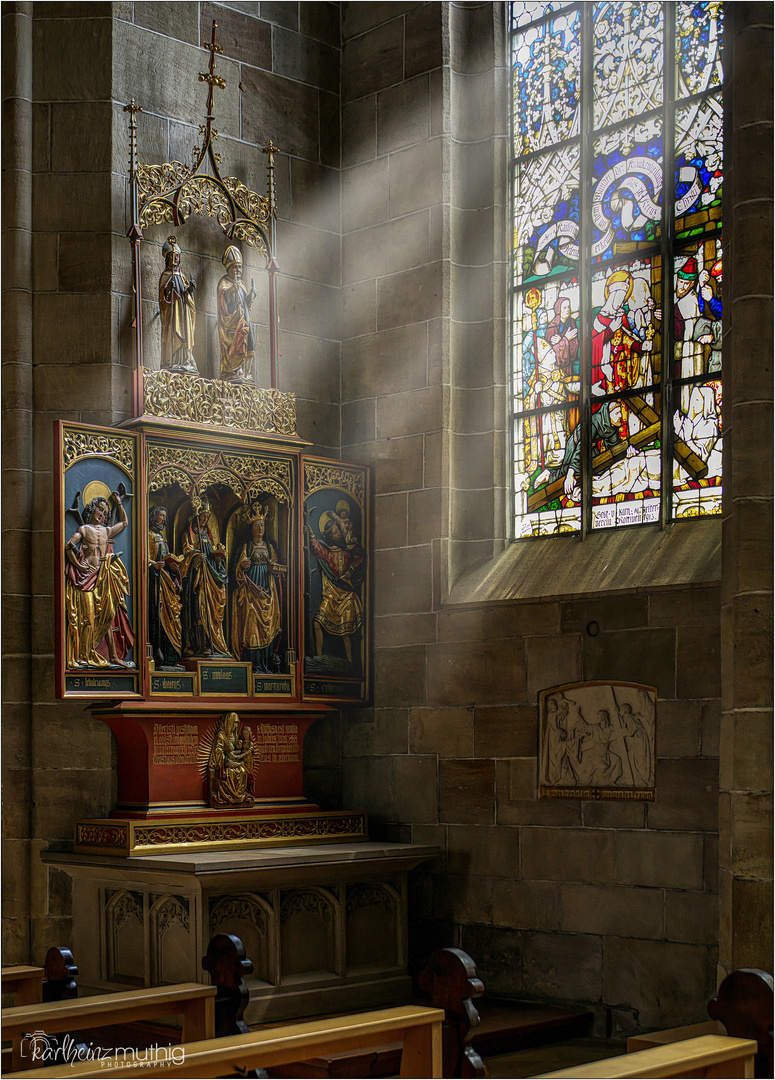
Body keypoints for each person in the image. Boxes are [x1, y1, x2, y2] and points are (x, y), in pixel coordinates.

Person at [65, 492, 135, 669]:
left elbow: (125, 523)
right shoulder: (84, 529)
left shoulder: (107, 530)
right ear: (92, 509)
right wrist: (79, 566)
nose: (102, 514)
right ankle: (83, 655)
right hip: (86, 577)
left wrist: (119, 503)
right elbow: (69, 547)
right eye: (99, 509)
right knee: (87, 618)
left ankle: (114, 656)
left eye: (105, 511)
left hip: (103, 576)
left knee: (109, 616)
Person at [534, 400, 632, 503]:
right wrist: (570, 475)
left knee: (598, 469)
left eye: (620, 412)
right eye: (617, 413)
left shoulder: (612, 427)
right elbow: (581, 448)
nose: (620, 415)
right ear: (608, 414)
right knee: (567, 471)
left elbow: (614, 449)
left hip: (591, 447)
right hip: (576, 443)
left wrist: (627, 453)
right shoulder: (594, 422)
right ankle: (548, 475)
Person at [306, 512, 366, 667]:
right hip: (331, 595)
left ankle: (350, 662)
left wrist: (350, 571)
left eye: (338, 531)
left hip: (345, 595)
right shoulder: (328, 552)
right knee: (317, 621)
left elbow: (359, 558)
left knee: (346, 632)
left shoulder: (347, 552)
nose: (338, 534)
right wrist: (311, 533)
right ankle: (319, 657)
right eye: (335, 532)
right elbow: (317, 548)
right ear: (329, 536)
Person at [231, 505, 285, 673]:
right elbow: (238, 571)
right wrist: (243, 566)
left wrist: (274, 568)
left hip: (267, 590)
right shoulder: (246, 546)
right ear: (251, 528)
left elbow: (276, 567)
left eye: (262, 525)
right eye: (257, 525)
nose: (260, 528)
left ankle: (267, 664)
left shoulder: (269, 547)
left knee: (268, 626)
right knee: (252, 625)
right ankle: (254, 665)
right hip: (251, 590)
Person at [180, 496, 229, 658]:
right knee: (200, 608)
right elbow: (186, 553)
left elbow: (213, 552)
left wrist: (218, 555)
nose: (204, 519)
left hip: (211, 575)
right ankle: (200, 645)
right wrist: (195, 557)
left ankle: (212, 642)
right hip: (198, 576)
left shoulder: (207, 534)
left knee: (212, 608)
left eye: (207, 517)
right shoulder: (189, 533)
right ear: (196, 516)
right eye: (202, 517)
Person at [147, 505, 183, 669]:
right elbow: (145, 559)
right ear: (154, 516)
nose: (164, 519)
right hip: (156, 583)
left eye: (165, 516)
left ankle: (172, 655)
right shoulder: (148, 535)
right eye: (161, 515)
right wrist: (154, 566)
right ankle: (159, 656)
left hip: (166, 580)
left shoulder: (162, 537)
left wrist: (173, 568)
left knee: (172, 617)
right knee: (159, 617)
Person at [158, 235, 197, 373]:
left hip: (183, 313)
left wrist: (190, 290)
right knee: (174, 334)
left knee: (185, 334)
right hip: (173, 314)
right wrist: (169, 289)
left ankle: (185, 360)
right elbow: (163, 297)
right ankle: (173, 361)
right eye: (172, 256)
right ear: (167, 259)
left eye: (177, 256)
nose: (175, 259)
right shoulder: (166, 275)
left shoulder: (183, 276)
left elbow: (188, 297)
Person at [217, 245, 256, 382]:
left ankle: (245, 372)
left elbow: (245, 304)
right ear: (228, 268)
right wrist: (231, 290)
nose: (237, 270)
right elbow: (223, 302)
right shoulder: (224, 283)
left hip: (244, 321)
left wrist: (251, 296)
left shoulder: (242, 284)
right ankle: (233, 371)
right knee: (235, 344)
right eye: (234, 267)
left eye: (239, 267)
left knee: (249, 344)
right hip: (232, 323)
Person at [208, 712, 254, 806]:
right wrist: (227, 761)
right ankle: (229, 796)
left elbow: (236, 751)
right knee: (231, 774)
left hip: (234, 760)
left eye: (237, 723)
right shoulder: (221, 735)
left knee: (243, 771)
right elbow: (218, 752)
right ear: (229, 722)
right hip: (224, 765)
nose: (236, 725)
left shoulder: (235, 735)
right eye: (234, 722)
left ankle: (238, 795)